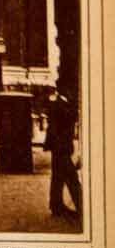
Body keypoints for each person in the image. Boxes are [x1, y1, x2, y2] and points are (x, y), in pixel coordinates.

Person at [44, 90, 82, 219]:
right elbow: (56, 127)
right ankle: (82, 208)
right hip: (61, 147)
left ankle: (56, 205)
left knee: (58, 177)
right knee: (72, 178)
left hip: (59, 147)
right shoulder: (59, 104)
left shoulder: (60, 103)